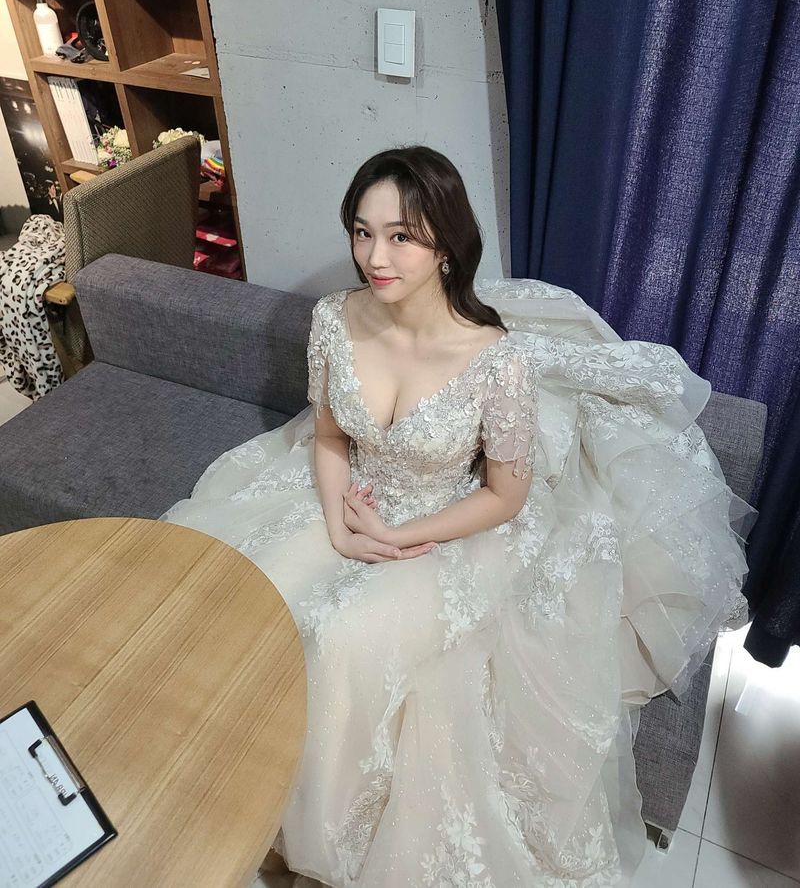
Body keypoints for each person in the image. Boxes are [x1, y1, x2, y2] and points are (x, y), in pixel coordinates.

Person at [161, 146, 753, 887]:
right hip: (352, 494)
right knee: (256, 597)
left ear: (445, 245)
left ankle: (316, 841)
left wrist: (396, 536)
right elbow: (329, 437)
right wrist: (340, 524)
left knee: (342, 639)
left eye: (401, 236)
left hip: (450, 523)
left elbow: (505, 495)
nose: (375, 257)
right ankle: (231, 787)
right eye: (362, 232)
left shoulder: (495, 359)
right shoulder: (333, 318)